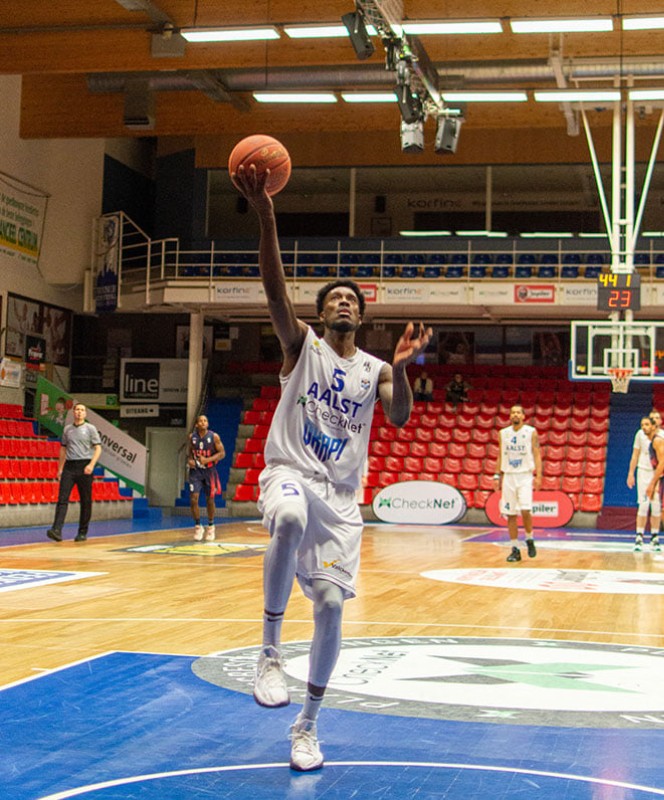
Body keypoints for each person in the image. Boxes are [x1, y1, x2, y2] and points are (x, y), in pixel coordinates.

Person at [233, 162, 431, 772]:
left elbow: (399, 418)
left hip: (342, 502)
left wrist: (403, 369)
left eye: (351, 299)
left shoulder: (376, 369)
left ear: (361, 317)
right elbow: (274, 292)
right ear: (321, 315)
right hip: (290, 473)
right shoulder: (303, 348)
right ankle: (269, 652)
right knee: (289, 517)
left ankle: (307, 725)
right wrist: (266, 214)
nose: (343, 302)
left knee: (331, 607)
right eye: (334, 298)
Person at [46, 403, 102, 543]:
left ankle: (82, 532)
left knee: (85, 500)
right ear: (73, 412)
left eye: (82, 410)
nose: (79, 412)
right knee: (62, 498)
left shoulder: (90, 428)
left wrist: (91, 465)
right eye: (77, 409)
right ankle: (56, 529)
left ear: (85, 413)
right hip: (69, 467)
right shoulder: (67, 429)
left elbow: (98, 448)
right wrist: (60, 468)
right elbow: (63, 449)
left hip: (85, 465)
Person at [493, 404, 542, 562]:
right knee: (510, 514)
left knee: (526, 510)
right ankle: (515, 548)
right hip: (509, 476)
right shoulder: (503, 433)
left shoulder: (530, 432)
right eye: (513, 412)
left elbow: (537, 454)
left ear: (523, 416)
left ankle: (529, 538)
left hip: (525, 475)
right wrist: (496, 475)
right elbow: (500, 455)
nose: (515, 415)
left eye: (518, 413)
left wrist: (539, 476)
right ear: (510, 416)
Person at [187, 414, 225, 541]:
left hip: (209, 471)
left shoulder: (214, 437)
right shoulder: (192, 437)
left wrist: (207, 460)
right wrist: (190, 461)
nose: (203, 422)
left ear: (207, 424)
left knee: (210, 500)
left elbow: (222, 453)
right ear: (197, 424)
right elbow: (189, 454)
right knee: (193, 499)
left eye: (205, 420)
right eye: (201, 421)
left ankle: (211, 526)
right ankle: (198, 526)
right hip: (195, 472)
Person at [628, 416, 662, 552]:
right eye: (643, 424)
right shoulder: (640, 435)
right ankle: (639, 536)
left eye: (656, 418)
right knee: (643, 505)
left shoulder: (660, 438)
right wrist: (631, 473)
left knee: (656, 506)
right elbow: (635, 455)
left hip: (657, 473)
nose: (645, 427)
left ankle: (655, 537)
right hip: (643, 471)